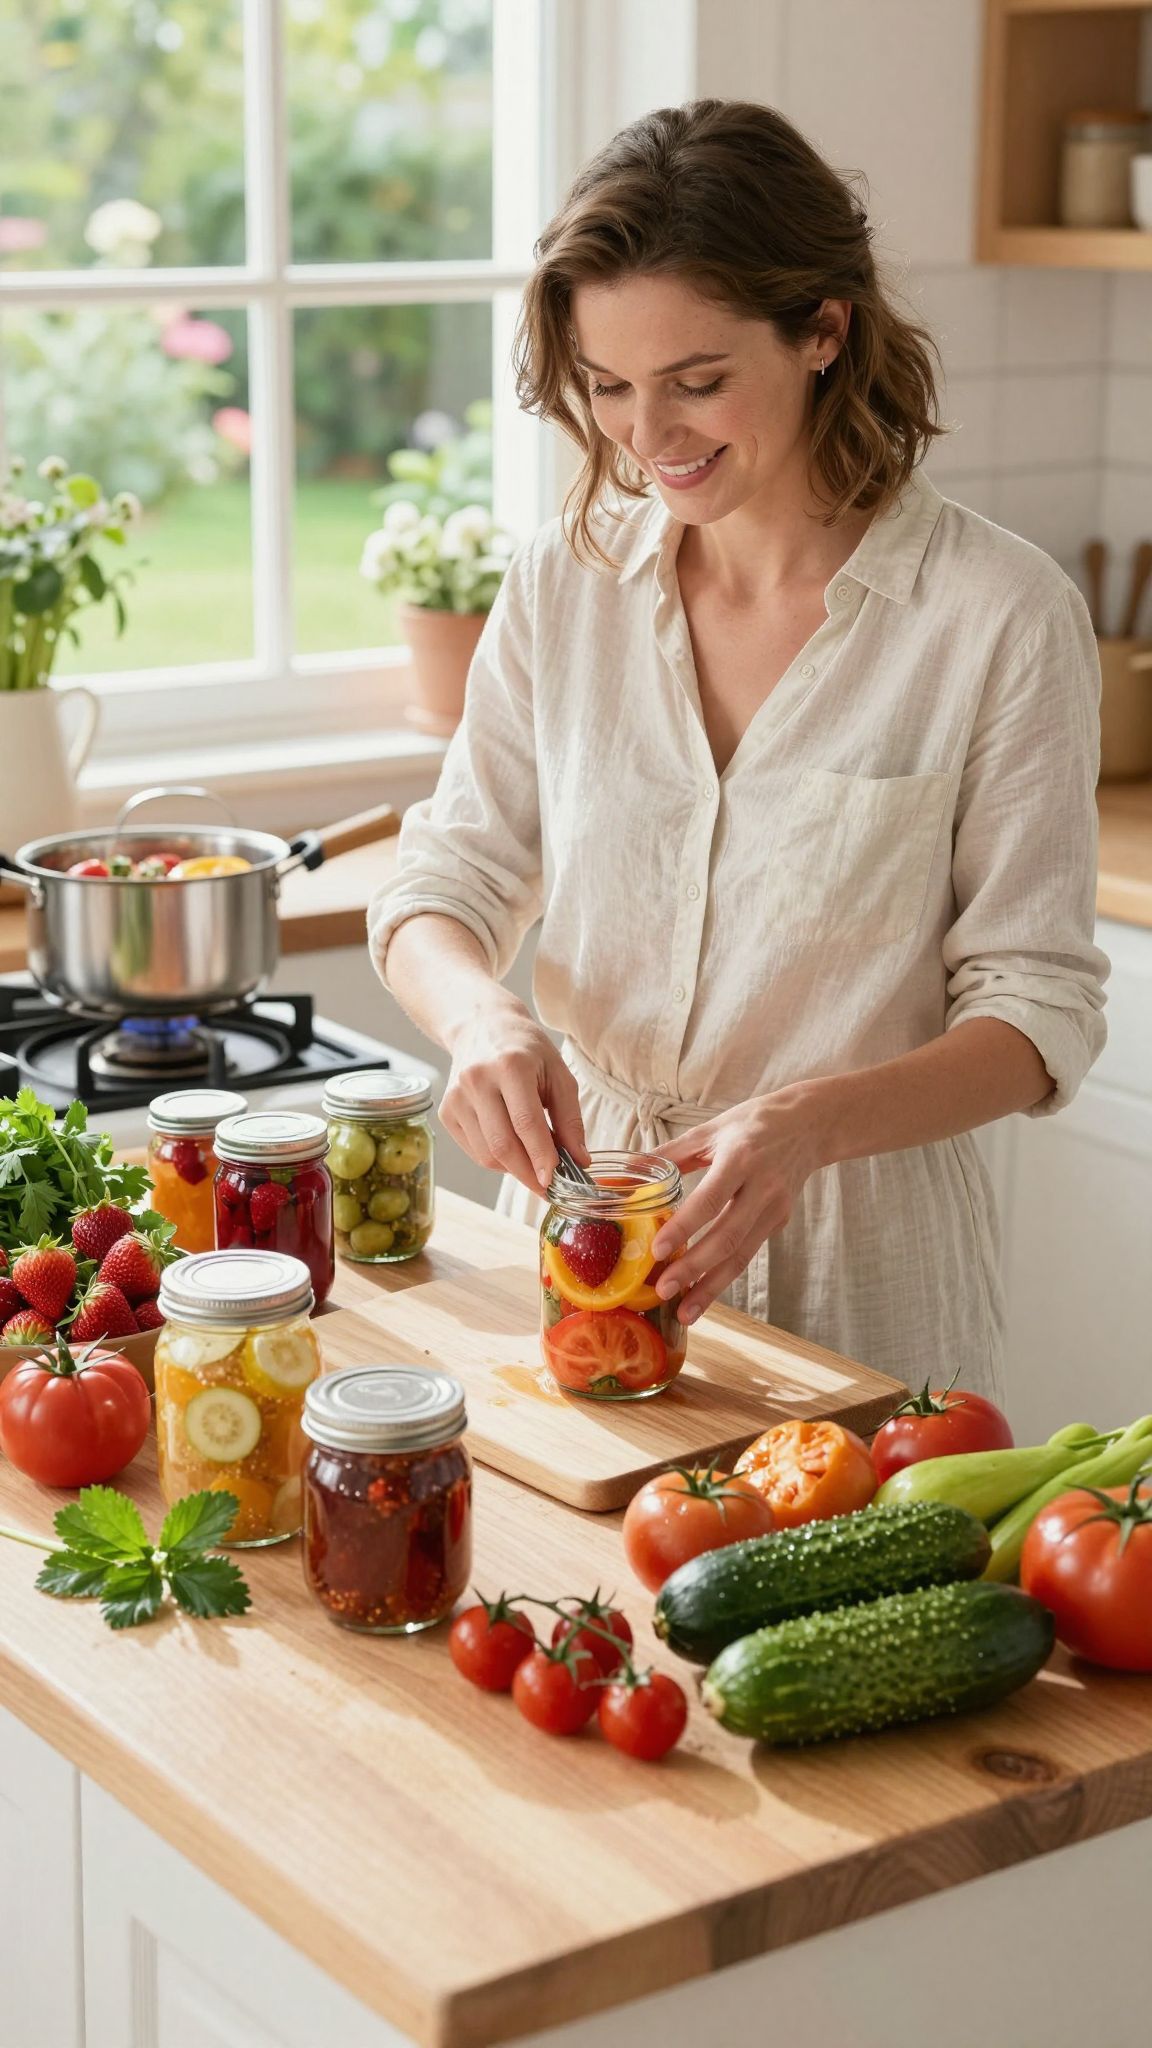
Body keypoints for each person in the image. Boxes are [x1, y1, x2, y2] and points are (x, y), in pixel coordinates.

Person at [368, 100, 1107, 1403]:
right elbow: (447, 879)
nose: (647, 440)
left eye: (697, 382)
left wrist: (804, 1124)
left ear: (825, 329)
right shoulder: (566, 583)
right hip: (586, 1228)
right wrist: (479, 1012)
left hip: (859, 1254)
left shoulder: (998, 616)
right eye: (607, 388)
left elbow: (1036, 1012)